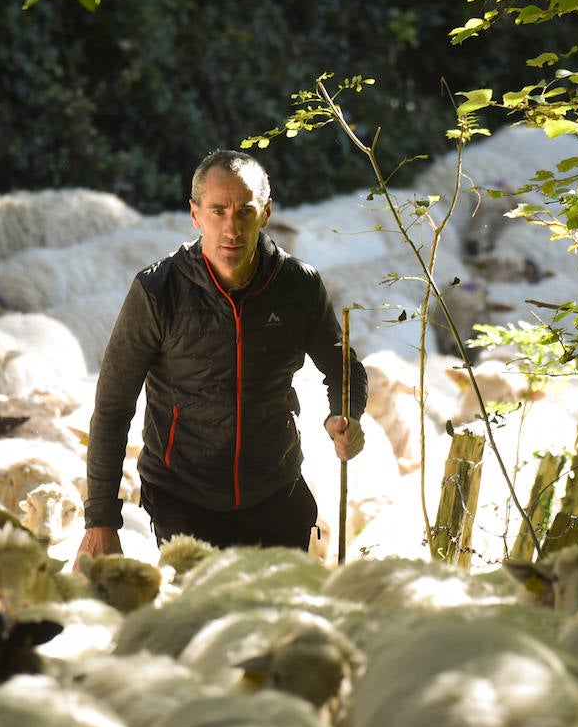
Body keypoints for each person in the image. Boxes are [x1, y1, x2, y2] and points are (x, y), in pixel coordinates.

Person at [76, 149, 367, 561]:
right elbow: (112, 405)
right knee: (203, 619)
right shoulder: (157, 291)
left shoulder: (298, 287)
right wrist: (101, 520)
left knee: (273, 622)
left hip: (275, 491)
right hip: (182, 497)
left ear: (266, 213)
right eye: (218, 211)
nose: (232, 227)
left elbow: (344, 367)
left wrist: (346, 414)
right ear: (195, 215)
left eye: (245, 212)